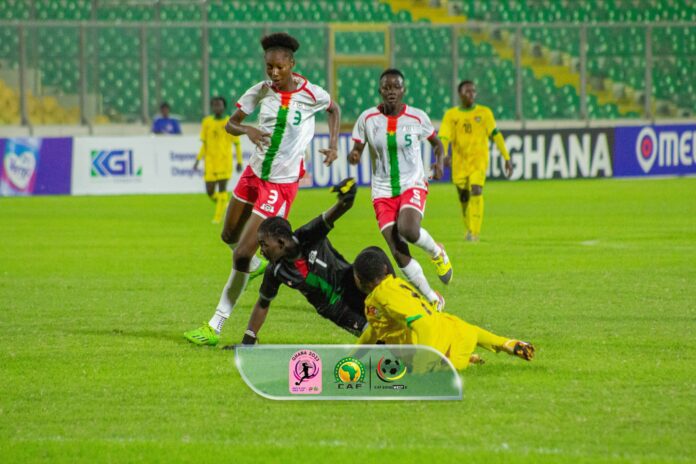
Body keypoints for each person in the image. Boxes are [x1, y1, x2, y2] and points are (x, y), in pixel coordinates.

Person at [184, 32, 341, 346]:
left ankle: (214, 326)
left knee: (241, 253)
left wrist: (334, 144)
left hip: (280, 186)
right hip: (253, 175)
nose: (273, 73)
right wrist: (247, 129)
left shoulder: (312, 94)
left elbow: (334, 109)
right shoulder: (260, 91)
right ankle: (258, 265)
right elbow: (231, 123)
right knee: (228, 236)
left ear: (291, 65)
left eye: (279, 67)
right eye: (268, 67)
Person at [348, 68, 451, 311]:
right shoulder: (367, 119)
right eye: (386, 87)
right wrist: (353, 156)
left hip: (412, 183)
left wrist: (439, 162)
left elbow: (437, 145)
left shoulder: (417, 118)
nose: (391, 91)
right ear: (379, 90)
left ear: (403, 90)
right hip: (382, 192)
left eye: (396, 87)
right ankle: (432, 298)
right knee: (397, 248)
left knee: (408, 229)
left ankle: (437, 253)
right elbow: (357, 149)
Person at [235, 178, 372, 347]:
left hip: (354, 289)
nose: (261, 251)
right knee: (379, 339)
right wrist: (248, 341)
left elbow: (338, 210)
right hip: (338, 311)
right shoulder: (275, 270)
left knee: (372, 255)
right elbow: (263, 303)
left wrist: (346, 197)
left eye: (264, 244)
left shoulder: (308, 235)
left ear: (281, 243)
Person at [352, 246, 535, 370]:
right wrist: (352, 358)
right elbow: (373, 331)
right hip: (450, 329)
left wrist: (421, 367)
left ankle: (468, 357)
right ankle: (506, 343)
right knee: (468, 331)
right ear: (385, 269)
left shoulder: (384, 296)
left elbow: (423, 325)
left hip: (443, 348)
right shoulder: (391, 288)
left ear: (359, 279)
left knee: (447, 365)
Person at [439, 80, 513, 242]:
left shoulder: (484, 113)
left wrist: (506, 157)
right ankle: (469, 229)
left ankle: (475, 233)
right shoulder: (451, 115)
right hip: (460, 163)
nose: (471, 94)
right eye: (467, 91)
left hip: (478, 161)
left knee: (477, 190)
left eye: (473, 91)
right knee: (464, 198)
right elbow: (444, 137)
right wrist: (443, 154)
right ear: (460, 94)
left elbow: (496, 135)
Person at [193, 96, 244, 224]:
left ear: (224, 107)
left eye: (219, 105)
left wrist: (239, 161)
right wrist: (198, 159)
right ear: (212, 107)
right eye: (215, 105)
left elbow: (237, 144)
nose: (217, 107)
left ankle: (217, 217)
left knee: (222, 189)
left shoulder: (230, 122)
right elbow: (204, 144)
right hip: (210, 162)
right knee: (210, 191)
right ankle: (224, 205)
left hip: (224, 161)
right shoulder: (207, 122)